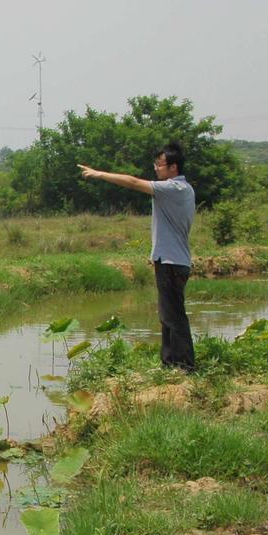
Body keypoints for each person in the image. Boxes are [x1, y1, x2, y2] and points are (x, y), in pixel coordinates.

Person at [79, 143, 196, 371]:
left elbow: (133, 182)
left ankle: (184, 366)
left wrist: (99, 174)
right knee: (168, 314)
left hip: (171, 262)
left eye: (159, 165)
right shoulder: (186, 189)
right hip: (173, 261)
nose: (156, 169)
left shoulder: (173, 189)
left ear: (173, 167)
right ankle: (170, 363)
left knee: (174, 316)